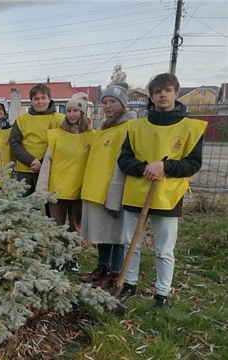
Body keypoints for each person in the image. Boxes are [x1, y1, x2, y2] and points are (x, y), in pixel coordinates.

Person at [117, 74, 207, 308]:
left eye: (167, 90)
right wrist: (145, 168)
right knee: (130, 244)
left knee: (164, 249)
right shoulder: (135, 127)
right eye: (157, 92)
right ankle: (129, 283)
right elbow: (124, 160)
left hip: (168, 196)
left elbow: (193, 163)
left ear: (176, 93)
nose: (163, 95)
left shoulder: (191, 128)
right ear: (151, 96)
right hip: (136, 192)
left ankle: (162, 293)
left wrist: (165, 166)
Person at [78, 83, 137, 288]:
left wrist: (116, 191)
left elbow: (122, 160)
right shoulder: (103, 127)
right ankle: (102, 266)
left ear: (122, 104)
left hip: (113, 189)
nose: (108, 106)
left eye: (112, 102)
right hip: (96, 188)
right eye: (104, 102)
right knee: (102, 234)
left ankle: (114, 273)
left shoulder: (128, 127)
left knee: (116, 235)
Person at [36, 93, 94, 272]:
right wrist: (42, 188)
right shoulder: (56, 136)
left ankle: (72, 257)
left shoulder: (92, 137)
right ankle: (58, 258)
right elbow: (47, 162)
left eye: (75, 110)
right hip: (58, 188)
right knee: (56, 226)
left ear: (82, 112)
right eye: (68, 110)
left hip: (79, 189)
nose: (71, 114)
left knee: (75, 226)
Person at [10, 84, 65, 216]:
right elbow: (15, 144)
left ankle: (52, 235)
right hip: (25, 171)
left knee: (52, 211)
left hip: (49, 172)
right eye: (36, 99)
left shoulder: (60, 119)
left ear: (49, 98)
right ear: (31, 101)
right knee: (24, 210)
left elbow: (62, 145)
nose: (40, 102)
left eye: (43, 98)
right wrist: (31, 161)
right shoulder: (22, 119)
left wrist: (43, 163)